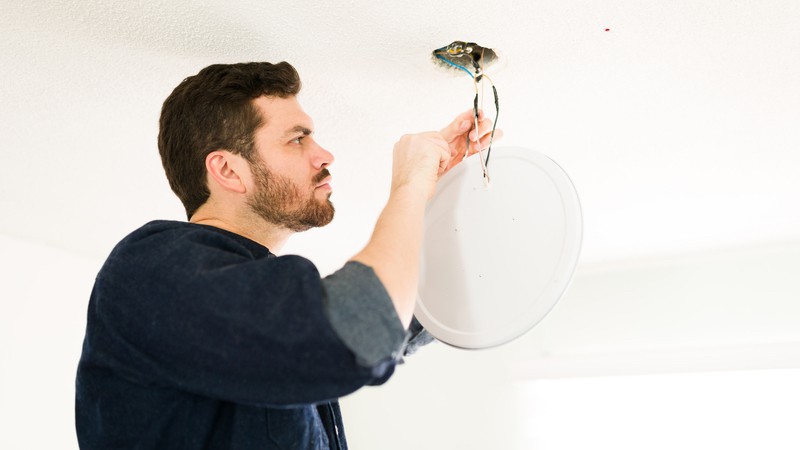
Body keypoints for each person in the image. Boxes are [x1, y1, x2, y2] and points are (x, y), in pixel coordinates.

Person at [75, 61, 497, 449]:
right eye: (297, 139)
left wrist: (430, 203)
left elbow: (380, 326)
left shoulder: (259, 317)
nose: (324, 155)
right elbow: (363, 329)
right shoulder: (151, 266)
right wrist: (409, 187)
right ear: (227, 171)